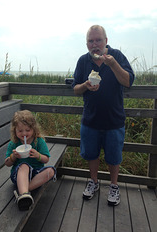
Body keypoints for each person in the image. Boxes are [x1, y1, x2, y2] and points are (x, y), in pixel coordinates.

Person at [72, 25, 135, 206]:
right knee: (91, 154)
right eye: (91, 41)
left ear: (106, 41)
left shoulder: (117, 57)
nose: (95, 44)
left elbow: (128, 81)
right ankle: (94, 182)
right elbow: (75, 89)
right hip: (90, 119)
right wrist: (85, 85)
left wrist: (113, 64)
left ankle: (114, 186)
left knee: (114, 157)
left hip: (114, 120)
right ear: (87, 44)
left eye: (98, 40)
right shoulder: (83, 61)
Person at [5, 110, 56, 211]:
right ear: (15, 130)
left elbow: (46, 159)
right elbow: (7, 163)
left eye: (27, 130)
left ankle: (23, 193)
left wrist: (38, 155)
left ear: (33, 128)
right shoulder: (13, 144)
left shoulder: (39, 141)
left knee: (51, 171)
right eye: (20, 131)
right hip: (18, 175)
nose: (24, 133)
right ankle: (24, 193)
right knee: (24, 165)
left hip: (36, 174)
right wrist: (13, 157)